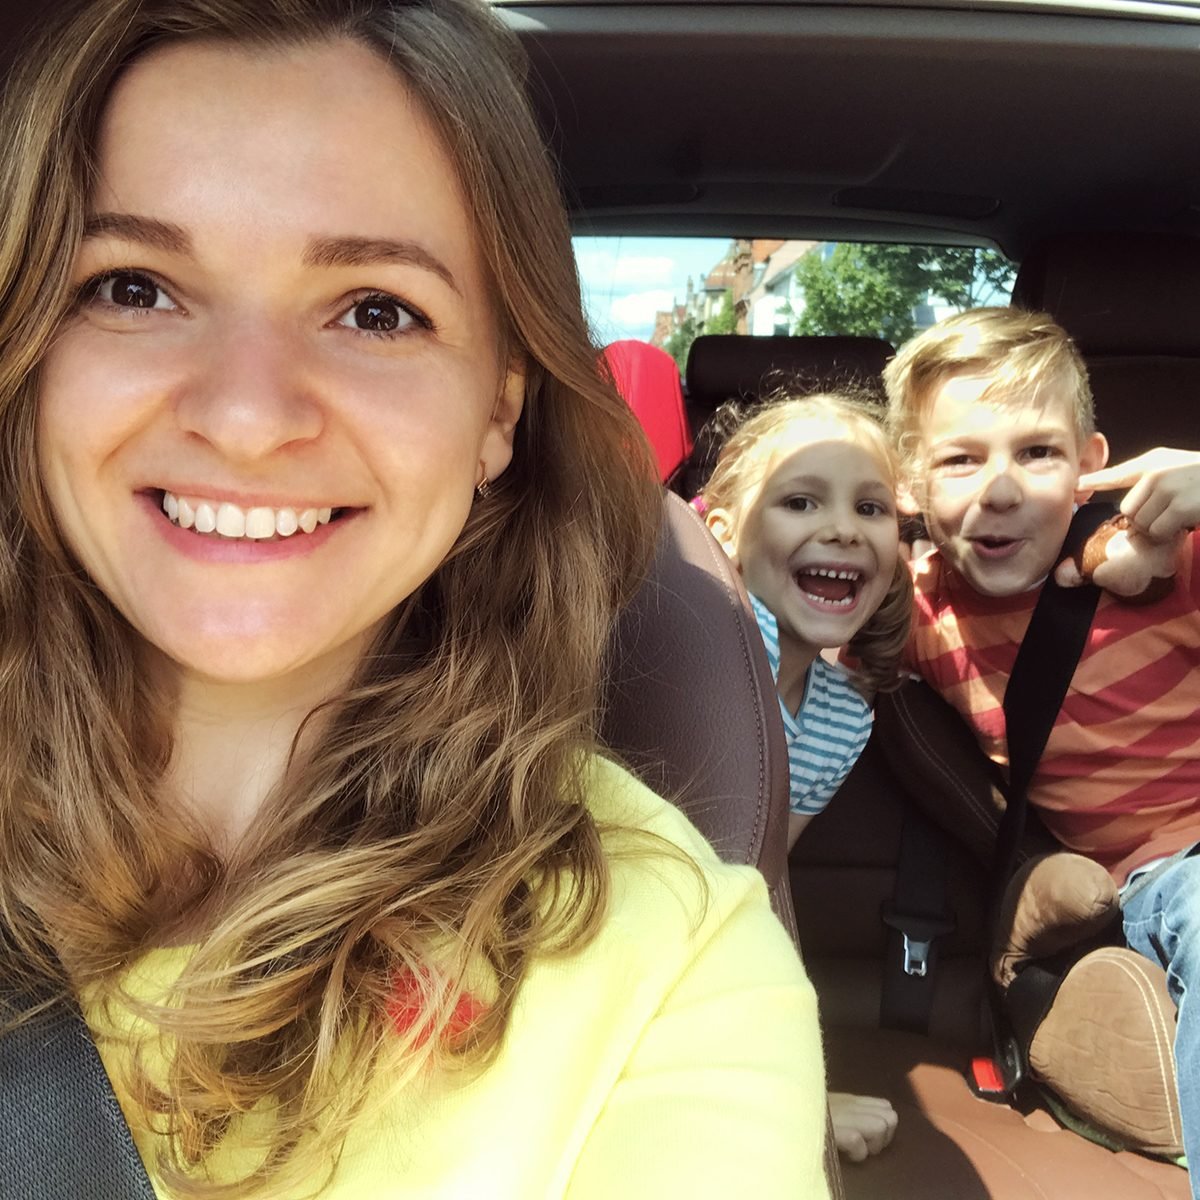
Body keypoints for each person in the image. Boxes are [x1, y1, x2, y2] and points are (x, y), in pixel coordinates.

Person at [0, 1, 830, 1197]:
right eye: (135, 287)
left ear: (499, 409)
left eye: (377, 310)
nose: (244, 416)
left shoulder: (672, 966)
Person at [883, 305, 1200, 1189]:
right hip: (1167, 869)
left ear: (1091, 467)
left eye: (1037, 453)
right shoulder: (914, 612)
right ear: (908, 482)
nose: (1001, 488)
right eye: (959, 458)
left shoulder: (1172, 557)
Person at [700, 393, 912, 1163]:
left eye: (872, 507)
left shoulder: (840, 717)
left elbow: (751, 888)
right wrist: (785, 1095)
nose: (844, 529)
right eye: (799, 500)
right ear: (721, 531)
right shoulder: (705, 635)